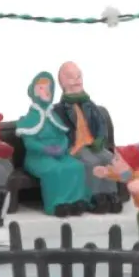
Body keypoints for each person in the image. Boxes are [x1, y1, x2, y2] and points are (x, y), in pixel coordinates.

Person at [14, 71, 90, 217]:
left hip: (60, 154)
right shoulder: (29, 118)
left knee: (76, 166)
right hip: (38, 158)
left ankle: (76, 201)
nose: (46, 91)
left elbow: (64, 136)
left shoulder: (54, 116)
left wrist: (62, 147)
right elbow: (30, 143)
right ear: (34, 91)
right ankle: (56, 204)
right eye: (41, 88)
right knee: (54, 170)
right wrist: (46, 149)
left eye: (49, 88)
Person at [52, 61, 123, 213]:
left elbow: (101, 123)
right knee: (92, 162)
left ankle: (111, 194)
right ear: (63, 82)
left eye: (79, 76)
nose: (77, 80)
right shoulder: (58, 110)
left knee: (109, 159)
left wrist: (100, 139)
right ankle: (93, 196)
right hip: (76, 147)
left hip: (93, 144)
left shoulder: (89, 105)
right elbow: (58, 132)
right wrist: (67, 146)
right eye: (71, 77)